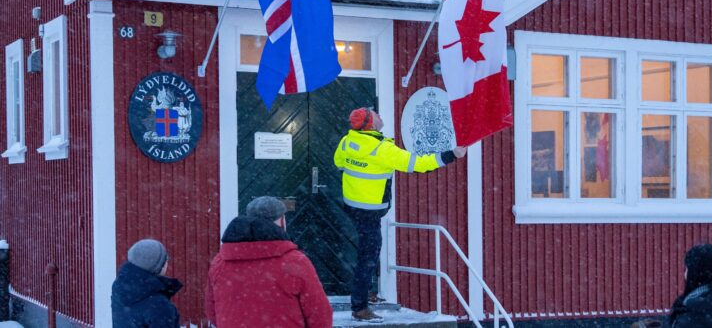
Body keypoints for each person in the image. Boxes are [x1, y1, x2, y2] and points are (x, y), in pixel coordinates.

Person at [334, 107, 467, 323]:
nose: (378, 113)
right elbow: (419, 164)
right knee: (368, 257)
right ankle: (359, 307)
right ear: (371, 124)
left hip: (352, 207)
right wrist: (452, 154)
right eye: (374, 113)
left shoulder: (347, 141)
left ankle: (366, 292)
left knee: (367, 253)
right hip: (370, 211)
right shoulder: (383, 150)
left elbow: (339, 163)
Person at [205, 195, 333, 328]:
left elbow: (212, 311)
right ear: (282, 221)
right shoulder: (295, 262)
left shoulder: (220, 262)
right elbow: (319, 313)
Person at [111, 238, 182, 328]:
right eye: (165, 260)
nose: (167, 263)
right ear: (157, 267)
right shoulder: (159, 306)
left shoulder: (120, 288)